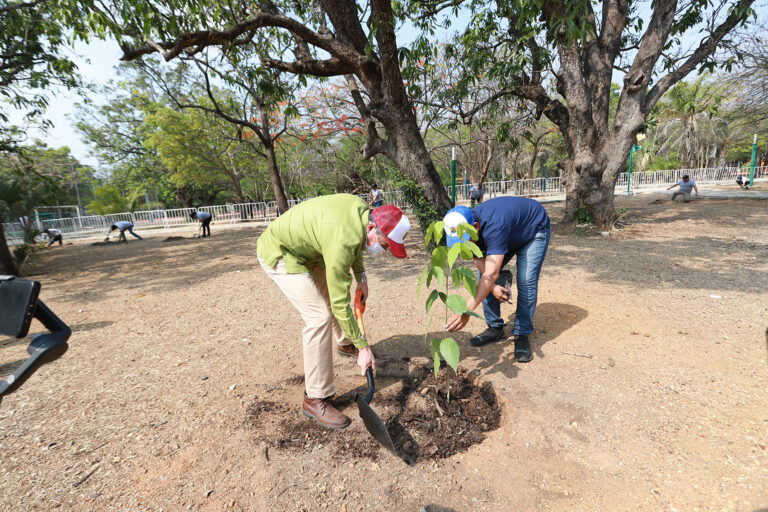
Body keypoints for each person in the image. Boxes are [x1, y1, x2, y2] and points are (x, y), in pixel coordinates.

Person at [257, 195, 411, 429]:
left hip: (312, 251)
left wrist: (362, 278)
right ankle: (315, 398)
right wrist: (364, 347)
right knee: (318, 316)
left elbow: (358, 244)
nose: (385, 250)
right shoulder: (342, 239)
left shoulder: (361, 213)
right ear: (372, 226)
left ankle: (344, 342)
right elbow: (341, 301)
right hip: (282, 252)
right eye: (385, 244)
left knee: (329, 297)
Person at [443, 198, 550, 363]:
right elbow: (479, 260)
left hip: (533, 228)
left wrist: (466, 311)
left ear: (476, 228)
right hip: (509, 232)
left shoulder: (495, 225)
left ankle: (521, 332)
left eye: (463, 241)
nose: (461, 245)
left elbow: (491, 274)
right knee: (483, 278)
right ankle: (495, 328)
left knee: (526, 279)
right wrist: (493, 288)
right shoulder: (469, 226)